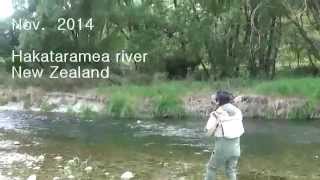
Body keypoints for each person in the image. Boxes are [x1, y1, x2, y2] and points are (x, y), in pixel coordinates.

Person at [204, 91, 244, 180]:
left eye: (215, 99)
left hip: (222, 147)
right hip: (236, 147)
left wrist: (216, 124)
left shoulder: (216, 114)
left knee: (211, 168)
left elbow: (208, 133)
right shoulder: (238, 112)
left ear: (218, 101)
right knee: (231, 170)